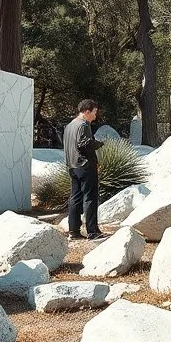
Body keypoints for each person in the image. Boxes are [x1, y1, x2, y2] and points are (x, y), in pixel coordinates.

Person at [63, 98, 105, 241]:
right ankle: (93, 231)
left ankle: (73, 231)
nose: (95, 116)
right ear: (86, 112)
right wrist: (98, 144)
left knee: (75, 198)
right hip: (85, 165)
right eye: (94, 112)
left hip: (72, 166)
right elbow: (84, 144)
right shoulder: (84, 125)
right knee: (91, 197)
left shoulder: (69, 126)